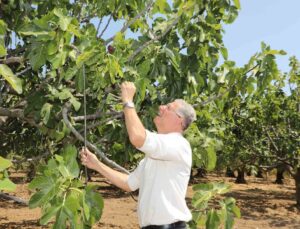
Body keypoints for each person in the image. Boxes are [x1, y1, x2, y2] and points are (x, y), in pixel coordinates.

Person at [80, 81, 196, 229]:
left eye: (168, 108)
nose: (161, 107)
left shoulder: (179, 145)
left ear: (179, 120)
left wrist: (128, 101)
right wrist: (96, 164)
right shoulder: (154, 155)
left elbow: (137, 137)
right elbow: (129, 183)